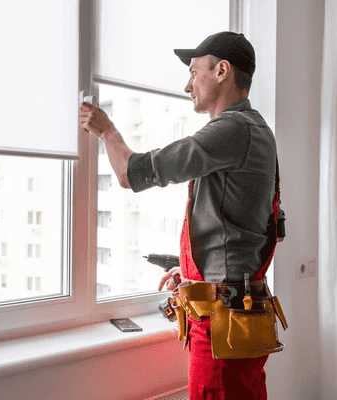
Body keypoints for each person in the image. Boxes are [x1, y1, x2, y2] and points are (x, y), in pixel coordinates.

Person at [79, 31, 285, 400]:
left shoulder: (233, 129)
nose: (187, 84)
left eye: (193, 71)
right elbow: (246, 225)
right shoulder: (258, 131)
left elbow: (130, 173)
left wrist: (107, 131)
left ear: (221, 70)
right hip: (240, 313)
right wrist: (193, 271)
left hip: (223, 322)